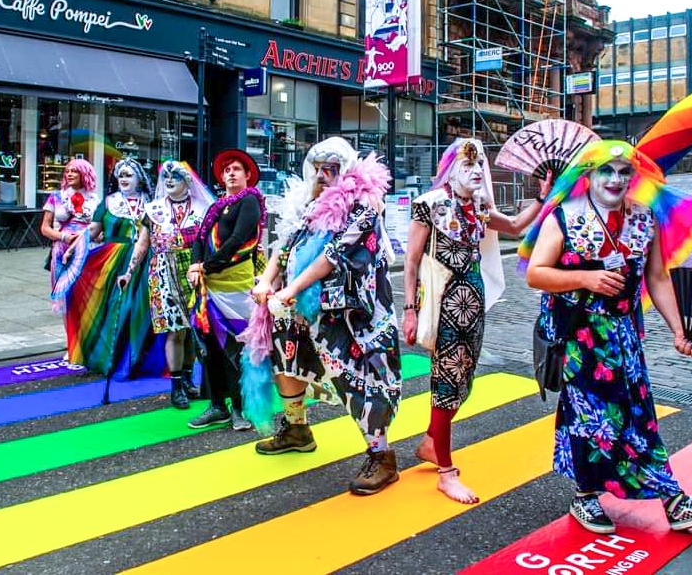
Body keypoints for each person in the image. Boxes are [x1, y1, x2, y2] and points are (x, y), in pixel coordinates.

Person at [523, 139, 692, 534]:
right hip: (578, 340)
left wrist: (678, 329)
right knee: (589, 418)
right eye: (606, 171)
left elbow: (656, 277)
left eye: (623, 173)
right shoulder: (565, 218)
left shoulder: (644, 218)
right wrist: (586, 278)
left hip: (624, 337)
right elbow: (536, 272)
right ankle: (586, 496)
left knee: (638, 415)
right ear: (589, 176)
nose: (615, 180)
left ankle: (673, 501)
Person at [401, 138, 551, 504]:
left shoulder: (480, 205)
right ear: (451, 168)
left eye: (479, 164)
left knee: (465, 380)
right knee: (447, 379)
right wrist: (409, 308)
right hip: (445, 300)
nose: (475, 171)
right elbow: (411, 260)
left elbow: (514, 225)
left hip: (473, 299)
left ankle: (432, 443)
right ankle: (446, 473)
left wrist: (542, 198)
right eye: (468, 165)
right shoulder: (429, 205)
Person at [251, 137, 402, 495]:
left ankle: (382, 457)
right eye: (317, 168)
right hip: (299, 309)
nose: (322, 175)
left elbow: (332, 256)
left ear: (347, 170)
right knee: (285, 361)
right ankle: (297, 429)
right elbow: (285, 246)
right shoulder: (309, 206)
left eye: (331, 168)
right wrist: (267, 280)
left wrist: (288, 289)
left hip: (350, 314)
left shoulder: (364, 206)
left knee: (360, 377)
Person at [119, 161, 214, 409]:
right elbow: (142, 244)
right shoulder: (154, 210)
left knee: (192, 329)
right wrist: (128, 272)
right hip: (162, 272)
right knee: (174, 329)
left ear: (187, 181)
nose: (170, 180)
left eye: (176, 176)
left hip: (193, 272)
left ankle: (186, 379)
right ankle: (175, 387)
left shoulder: (204, 209)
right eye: (166, 176)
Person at [186, 150, 267, 431]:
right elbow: (199, 237)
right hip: (209, 288)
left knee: (236, 349)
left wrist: (205, 267)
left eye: (236, 169)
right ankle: (218, 405)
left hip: (236, 288)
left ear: (247, 176)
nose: (231, 173)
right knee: (211, 348)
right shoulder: (216, 206)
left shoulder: (250, 201)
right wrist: (196, 264)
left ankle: (240, 408)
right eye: (227, 170)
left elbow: (237, 240)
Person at [64, 158, 161, 384]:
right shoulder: (109, 202)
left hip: (142, 262)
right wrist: (74, 248)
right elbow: (93, 229)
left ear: (139, 178)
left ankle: (133, 360)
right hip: (110, 261)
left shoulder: (151, 203)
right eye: (121, 175)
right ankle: (108, 358)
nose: (124, 179)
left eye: (128, 175)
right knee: (109, 308)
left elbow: (151, 235)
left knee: (137, 310)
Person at [40, 158, 100, 315]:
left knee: (86, 296)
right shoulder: (56, 197)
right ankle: (70, 336)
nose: (69, 174)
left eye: (74, 171)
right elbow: (45, 228)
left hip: (87, 250)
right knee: (65, 298)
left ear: (84, 174)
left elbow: (100, 229)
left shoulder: (95, 200)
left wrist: (96, 237)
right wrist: (64, 237)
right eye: (67, 171)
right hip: (61, 251)